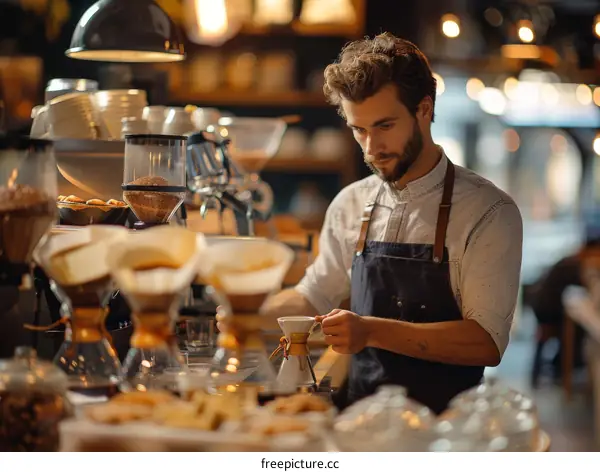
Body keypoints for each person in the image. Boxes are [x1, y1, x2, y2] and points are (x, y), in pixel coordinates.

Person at [218, 32, 523, 415]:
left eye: (384, 126)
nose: (370, 148)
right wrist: (247, 311)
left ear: (424, 110)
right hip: (358, 422)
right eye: (358, 129)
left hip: (445, 431)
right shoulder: (351, 203)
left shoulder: (487, 211)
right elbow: (314, 293)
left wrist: (371, 331)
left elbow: (485, 343)